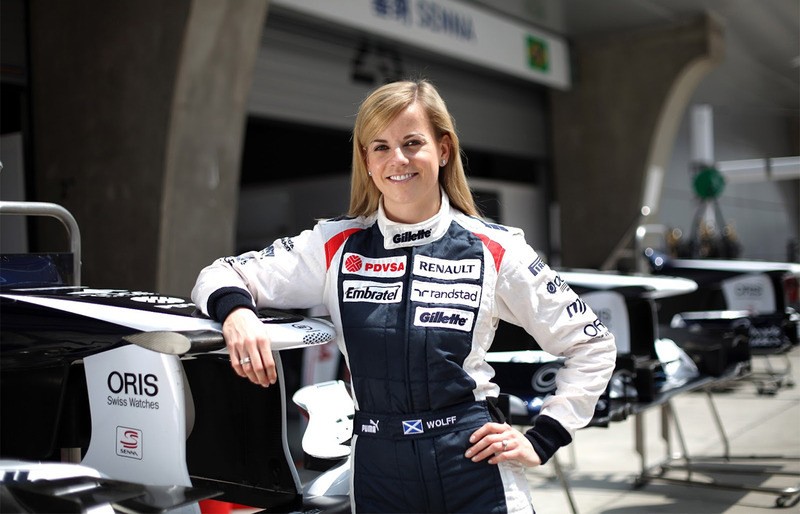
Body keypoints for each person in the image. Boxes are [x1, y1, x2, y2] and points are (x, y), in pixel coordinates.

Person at [192, 79, 617, 513]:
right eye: (381, 147)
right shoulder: (334, 244)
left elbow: (593, 343)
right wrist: (238, 313)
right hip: (378, 471)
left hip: (473, 465)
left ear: (444, 149)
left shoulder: (495, 248)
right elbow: (219, 274)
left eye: (412, 143)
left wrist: (543, 438)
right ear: (366, 160)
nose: (397, 159)